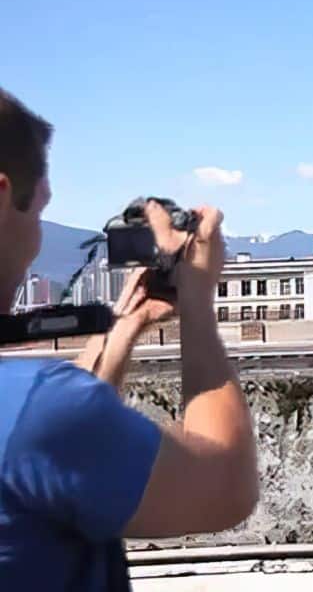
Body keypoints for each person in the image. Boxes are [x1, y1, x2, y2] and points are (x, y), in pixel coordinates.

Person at [0, 88, 259, 589]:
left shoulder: (30, 415)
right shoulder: (35, 412)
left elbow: (50, 444)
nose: (36, 241)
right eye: (36, 214)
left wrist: (126, 322)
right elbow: (225, 483)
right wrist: (197, 301)